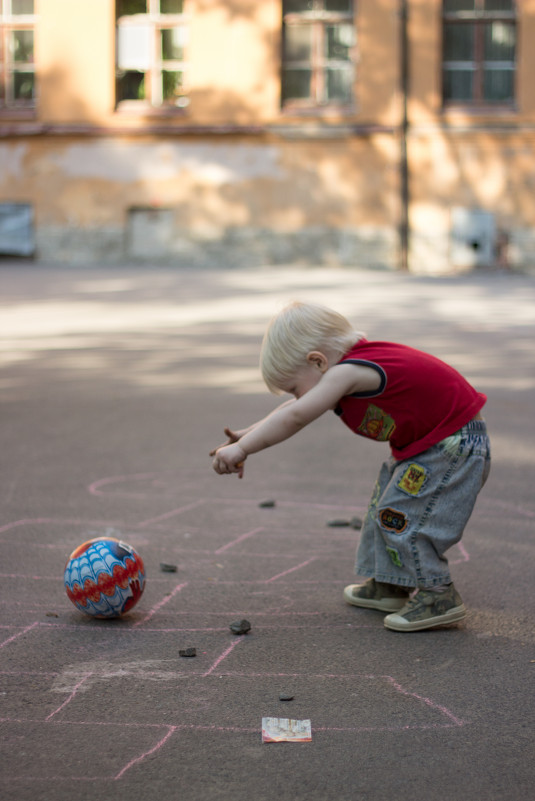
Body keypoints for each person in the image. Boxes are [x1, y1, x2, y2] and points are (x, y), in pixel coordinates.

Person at [211, 301, 491, 632]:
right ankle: (393, 584)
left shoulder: (348, 371)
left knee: (402, 515)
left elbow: (297, 415)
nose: (297, 397)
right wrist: (249, 434)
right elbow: (294, 407)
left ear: (318, 361)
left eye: (294, 387)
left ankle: (437, 594)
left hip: (452, 446)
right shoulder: (347, 367)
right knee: (384, 508)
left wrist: (245, 448)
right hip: (429, 446)